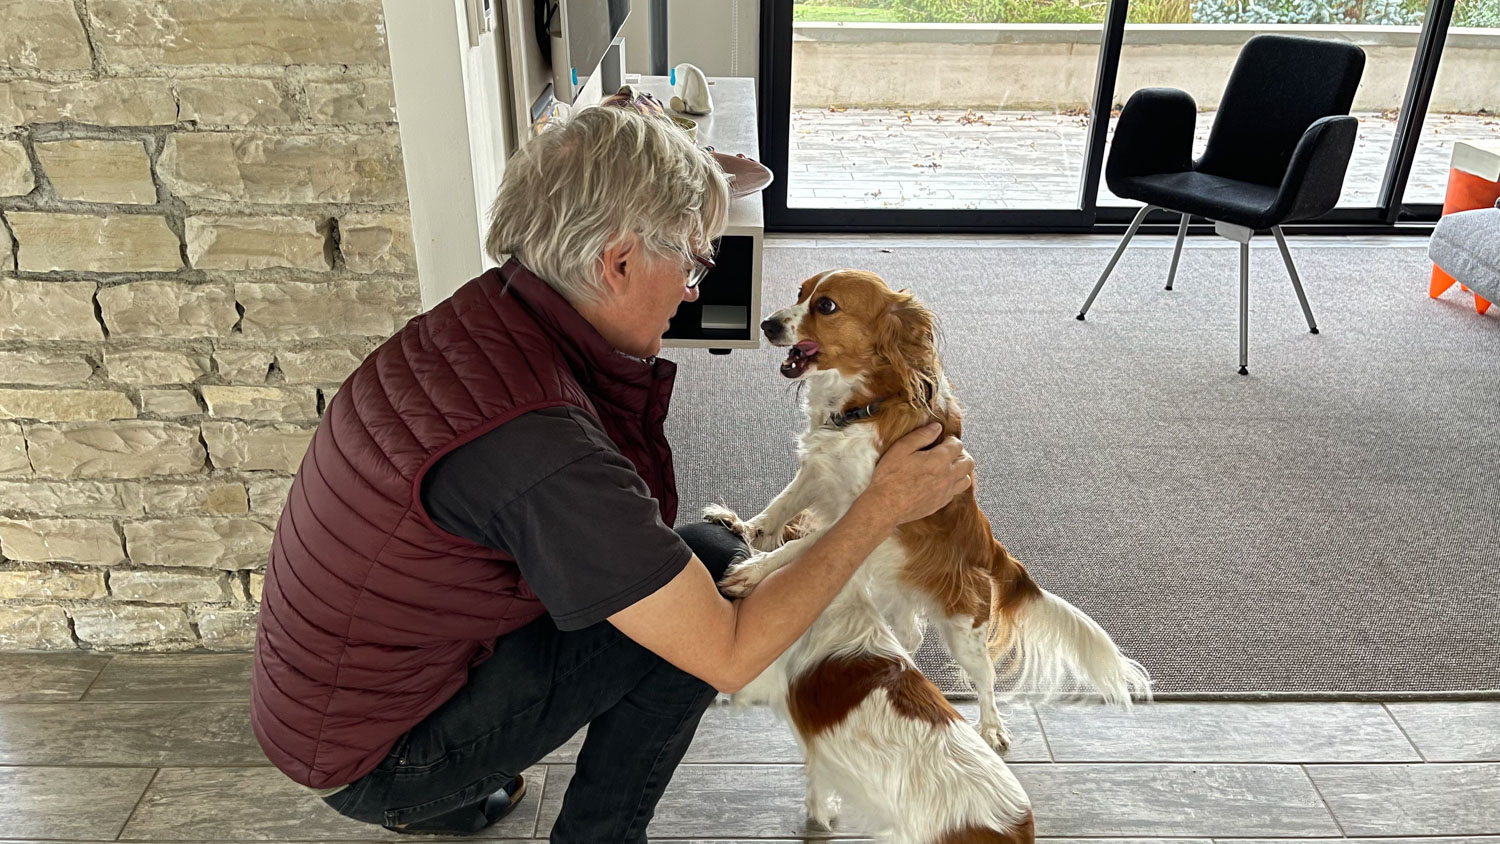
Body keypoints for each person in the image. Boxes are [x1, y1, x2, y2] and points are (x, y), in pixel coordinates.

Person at [249, 105, 974, 843]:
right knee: (714, 580)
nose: (692, 290)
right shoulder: (536, 443)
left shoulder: (485, 319)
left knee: (686, 566)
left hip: (319, 707)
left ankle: (456, 795)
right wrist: (881, 505)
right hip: (374, 759)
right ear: (618, 262)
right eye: (692, 262)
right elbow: (729, 653)